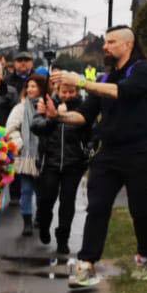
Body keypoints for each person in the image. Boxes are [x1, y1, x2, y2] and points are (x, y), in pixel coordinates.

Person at [54, 27, 147, 289]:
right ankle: (86, 265)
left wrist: (79, 81)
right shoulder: (106, 77)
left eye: (111, 42)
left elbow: (121, 92)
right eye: (105, 42)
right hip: (109, 153)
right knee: (97, 206)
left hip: (142, 152)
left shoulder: (144, 71)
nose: (105, 47)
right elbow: (84, 115)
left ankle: (146, 258)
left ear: (128, 44)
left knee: (141, 210)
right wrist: (56, 116)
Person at [33, 75, 92, 260]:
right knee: (46, 199)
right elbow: (37, 126)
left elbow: (92, 131)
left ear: (76, 91)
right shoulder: (47, 103)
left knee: (67, 202)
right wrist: (53, 117)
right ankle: (44, 224)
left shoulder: (82, 108)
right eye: (64, 92)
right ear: (57, 91)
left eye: (71, 92)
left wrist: (88, 148)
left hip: (73, 163)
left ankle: (63, 238)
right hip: (50, 161)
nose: (67, 95)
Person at [7, 75, 48, 236]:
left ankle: (39, 217)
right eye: (28, 86)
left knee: (42, 191)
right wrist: (20, 143)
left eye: (34, 86)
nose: (30, 89)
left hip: (44, 156)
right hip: (26, 156)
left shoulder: (47, 105)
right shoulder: (20, 108)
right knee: (26, 190)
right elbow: (11, 128)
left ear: (42, 88)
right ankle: (27, 222)